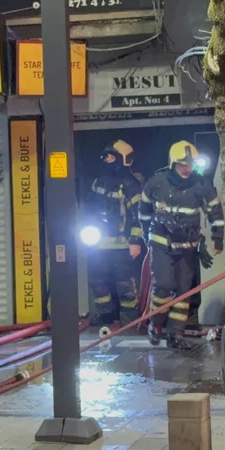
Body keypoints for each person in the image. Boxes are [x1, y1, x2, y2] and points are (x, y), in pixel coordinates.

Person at [139, 140, 223, 351]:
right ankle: (156, 324)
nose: (187, 169)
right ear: (173, 163)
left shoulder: (201, 184)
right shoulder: (157, 183)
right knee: (164, 285)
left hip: (187, 246)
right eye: (183, 165)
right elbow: (144, 210)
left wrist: (218, 238)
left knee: (184, 292)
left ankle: (175, 334)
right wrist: (146, 236)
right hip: (162, 245)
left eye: (190, 164)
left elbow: (215, 211)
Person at [83, 140, 145, 327]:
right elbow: (89, 208)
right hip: (99, 242)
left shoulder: (131, 184)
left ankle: (129, 317)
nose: (107, 160)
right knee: (97, 278)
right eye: (106, 157)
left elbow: (139, 215)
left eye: (111, 157)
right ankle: (105, 314)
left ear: (123, 159)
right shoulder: (98, 182)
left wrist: (135, 240)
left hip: (123, 243)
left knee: (124, 282)